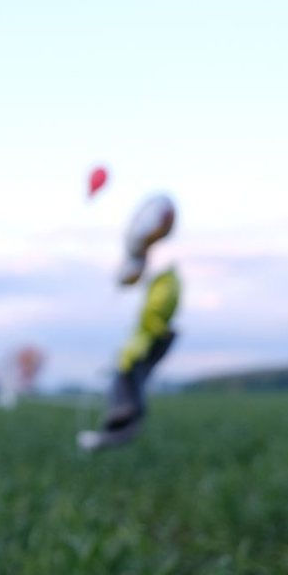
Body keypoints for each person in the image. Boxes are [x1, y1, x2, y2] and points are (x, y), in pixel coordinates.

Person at [78, 193, 181, 451]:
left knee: (127, 381)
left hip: (151, 338)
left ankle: (118, 426)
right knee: (127, 379)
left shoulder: (165, 281)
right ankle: (115, 428)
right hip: (154, 337)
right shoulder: (164, 279)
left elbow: (151, 306)